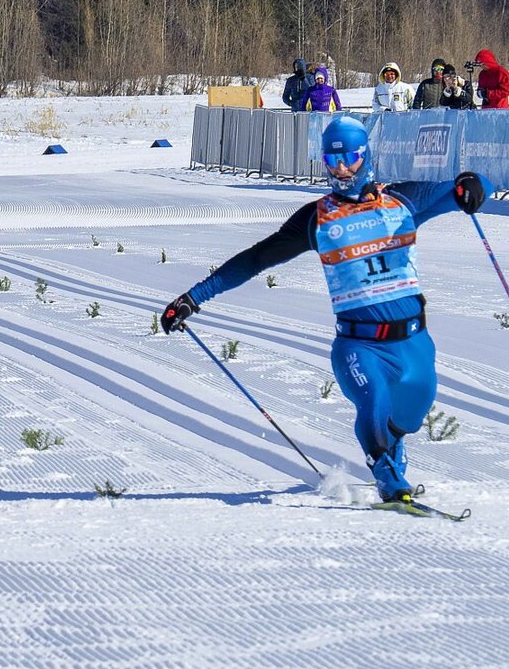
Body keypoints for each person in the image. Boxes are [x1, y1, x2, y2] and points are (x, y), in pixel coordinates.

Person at [160, 115, 490, 506]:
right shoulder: (317, 219)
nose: (341, 169)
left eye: (349, 158)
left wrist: (473, 184)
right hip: (358, 345)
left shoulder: (403, 201)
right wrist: (193, 298)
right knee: (373, 402)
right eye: (332, 160)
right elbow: (255, 260)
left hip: (414, 344)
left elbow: (468, 189)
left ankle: (392, 447)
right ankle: (387, 476)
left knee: (411, 415)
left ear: (364, 155)